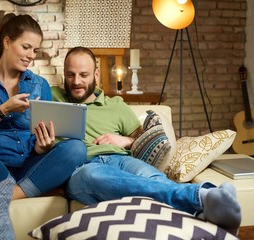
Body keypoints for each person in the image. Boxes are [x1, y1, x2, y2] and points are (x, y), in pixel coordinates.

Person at [51, 46, 241, 235]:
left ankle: (203, 213)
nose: (77, 81)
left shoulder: (115, 105)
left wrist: (124, 140)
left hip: (122, 160)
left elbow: (140, 137)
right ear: (64, 74)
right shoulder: (51, 97)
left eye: (84, 74)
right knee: (92, 175)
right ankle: (203, 196)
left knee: (153, 179)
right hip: (81, 168)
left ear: (96, 74)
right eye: (70, 75)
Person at [0, 14, 86, 200]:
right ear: (7, 42)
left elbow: (38, 143)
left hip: (29, 166)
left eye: (35, 50)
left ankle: (8, 195)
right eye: (26, 47)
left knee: (76, 148)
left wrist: (43, 146)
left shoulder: (39, 84)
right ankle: (27, 190)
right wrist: (3, 110)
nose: (31, 56)